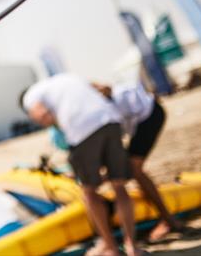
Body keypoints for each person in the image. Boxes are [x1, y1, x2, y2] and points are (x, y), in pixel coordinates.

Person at [20, 73, 142, 256]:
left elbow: (43, 115)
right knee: (119, 186)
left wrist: (59, 133)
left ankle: (110, 246)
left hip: (81, 129)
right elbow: (100, 89)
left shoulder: (30, 97)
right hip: (110, 119)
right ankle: (132, 246)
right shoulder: (64, 78)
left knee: (89, 192)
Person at [91, 81, 184, 241]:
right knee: (127, 170)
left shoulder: (106, 105)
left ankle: (168, 220)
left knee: (134, 170)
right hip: (145, 115)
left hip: (149, 117)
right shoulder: (102, 105)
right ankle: (167, 219)